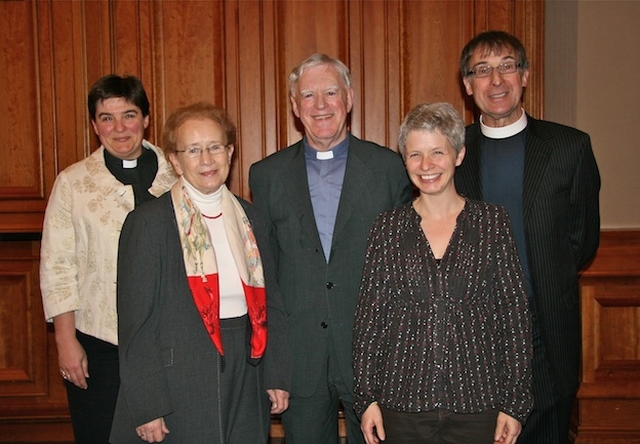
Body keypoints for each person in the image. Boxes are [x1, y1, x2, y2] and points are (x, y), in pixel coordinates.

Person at [248, 53, 412, 444]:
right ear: (293, 106)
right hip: (300, 357)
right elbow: (264, 276)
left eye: (330, 93)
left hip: (374, 356)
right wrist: (275, 366)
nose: (320, 106)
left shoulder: (390, 169)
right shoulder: (266, 176)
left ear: (349, 98)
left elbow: (407, 271)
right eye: (308, 95)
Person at [109, 102, 291, 444]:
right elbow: (136, 325)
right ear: (175, 161)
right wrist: (148, 404)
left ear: (230, 152)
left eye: (214, 147)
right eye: (193, 150)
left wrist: (276, 373)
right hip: (178, 373)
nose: (206, 159)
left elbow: (273, 303)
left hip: (247, 370)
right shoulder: (148, 224)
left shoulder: (253, 219)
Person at [353, 102, 533, 444]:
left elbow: (514, 317)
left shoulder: (491, 224)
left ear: (459, 154)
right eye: (415, 154)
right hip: (400, 407)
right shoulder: (387, 229)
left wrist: (515, 403)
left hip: (479, 408)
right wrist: (367, 397)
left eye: (438, 151)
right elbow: (370, 320)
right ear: (404, 160)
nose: (427, 165)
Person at [456, 30, 601, 444]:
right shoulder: (451, 153)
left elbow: (582, 240)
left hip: (544, 333)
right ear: (468, 85)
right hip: (471, 336)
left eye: (506, 66)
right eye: (482, 70)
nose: (496, 80)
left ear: (524, 75)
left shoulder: (568, 147)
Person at [39, 74, 177, 443]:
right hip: (99, 339)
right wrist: (65, 341)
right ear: (94, 125)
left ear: (147, 119)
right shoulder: (73, 182)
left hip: (169, 339)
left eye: (129, 115)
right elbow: (57, 265)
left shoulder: (180, 175)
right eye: (106, 118)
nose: (119, 128)